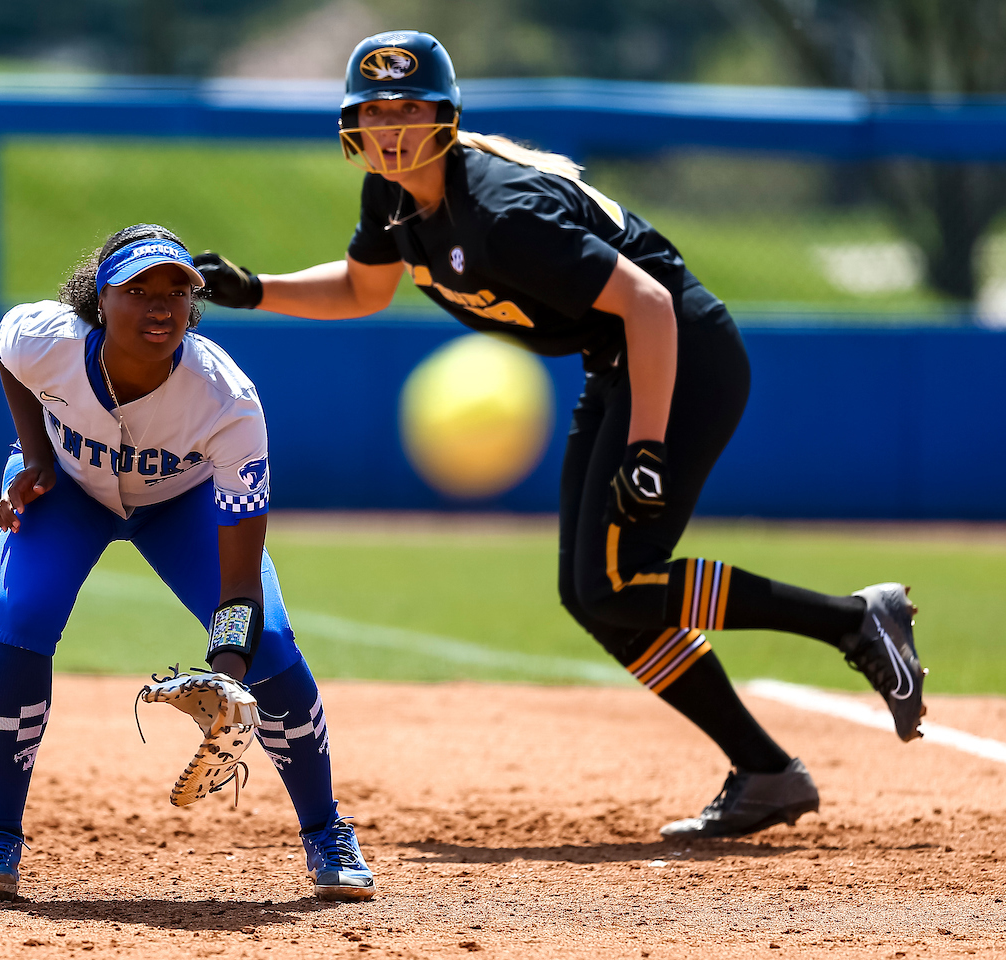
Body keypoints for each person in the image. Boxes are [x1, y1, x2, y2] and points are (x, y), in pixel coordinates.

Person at [192, 31, 928, 840]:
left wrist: (646, 446)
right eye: (373, 112)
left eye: (408, 109)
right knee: (595, 595)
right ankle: (766, 770)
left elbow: (650, 303)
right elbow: (363, 290)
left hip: (682, 358)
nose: (390, 128)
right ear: (351, 126)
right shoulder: (392, 195)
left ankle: (851, 621)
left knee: (614, 581)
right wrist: (255, 289)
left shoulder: (503, 213)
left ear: (444, 117)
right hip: (618, 367)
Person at [0, 224, 375, 901]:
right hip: (70, 492)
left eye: (177, 292)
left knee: (269, 641)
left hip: (181, 504)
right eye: (138, 290)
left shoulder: (227, 401)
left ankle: (327, 834)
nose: (160, 306)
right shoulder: (46, 339)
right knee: (23, 614)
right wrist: (35, 455)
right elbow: (9, 355)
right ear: (99, 299)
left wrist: (227, 677)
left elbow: (240, 583)